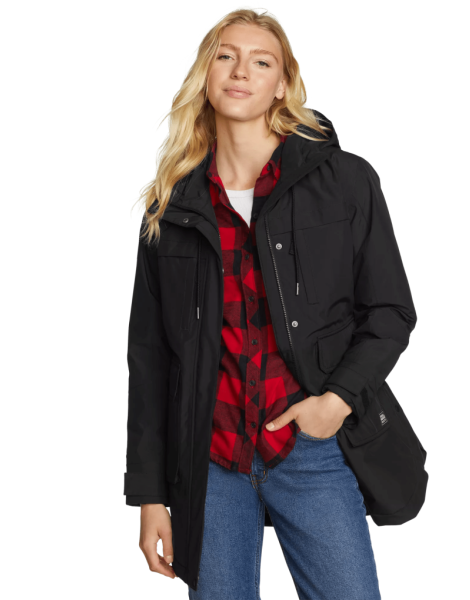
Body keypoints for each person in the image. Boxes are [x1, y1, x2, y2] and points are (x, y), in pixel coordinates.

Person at [124, 8, 417, 600]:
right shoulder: (173, 205)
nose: (241, 71)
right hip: (210, 462)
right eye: (226, 56)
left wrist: (335, 403)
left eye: (261, 62)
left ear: (282, 84)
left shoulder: (345, 181)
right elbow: (151, 357)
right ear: (206, 73)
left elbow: (390, 312)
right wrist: (150, 494)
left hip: (311, 449)